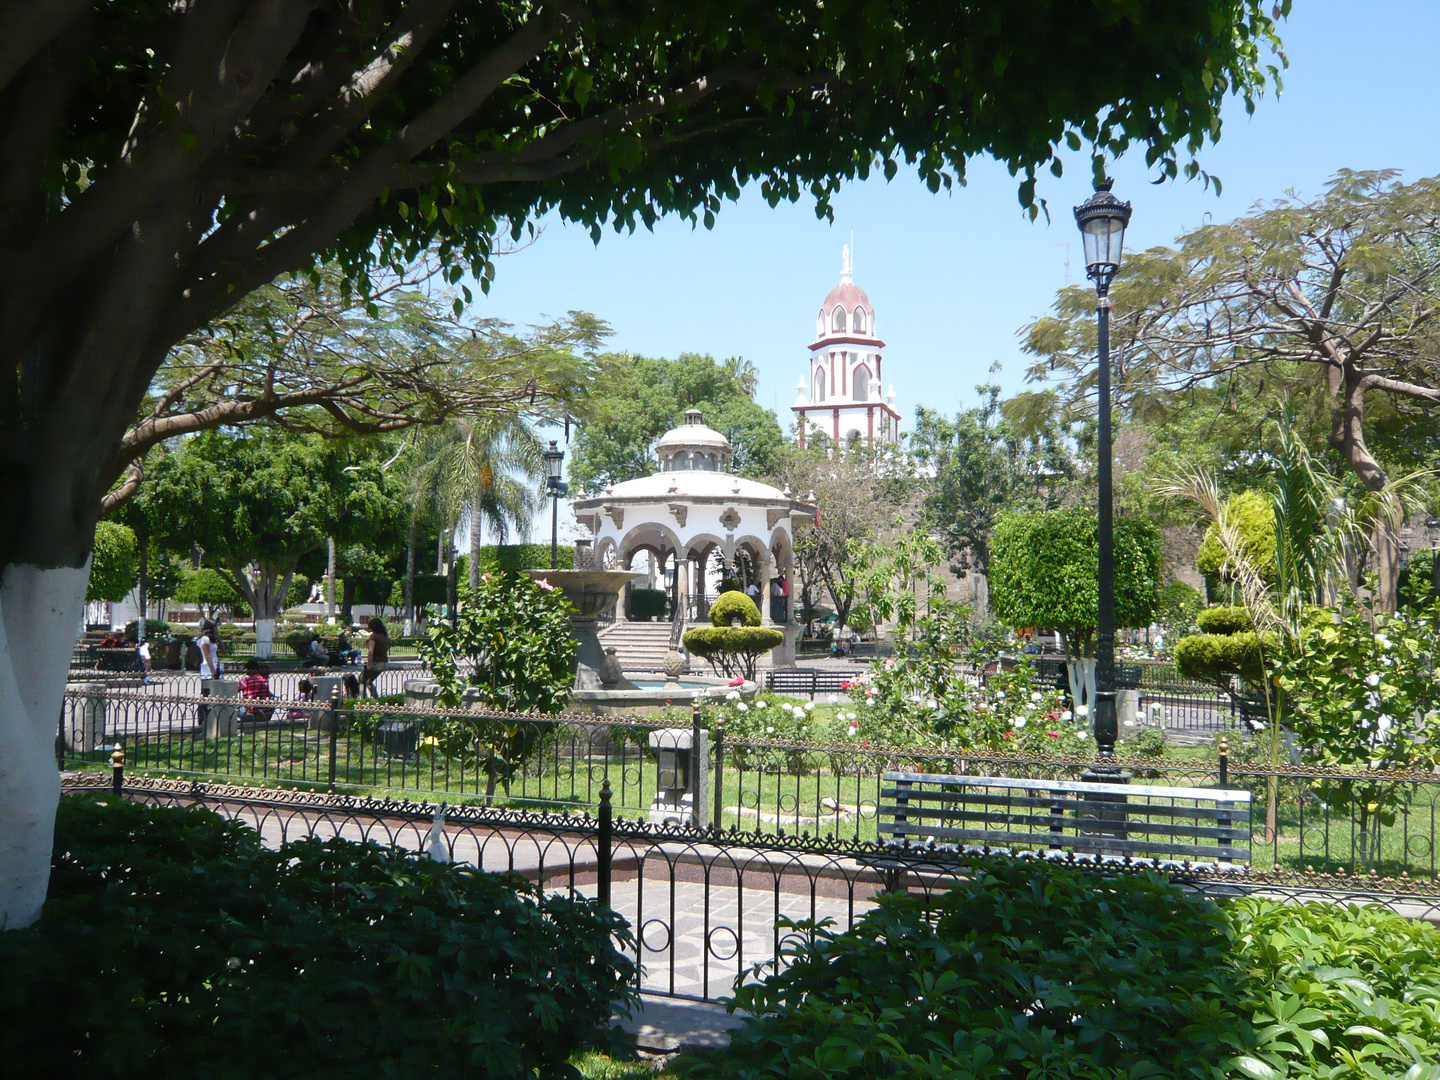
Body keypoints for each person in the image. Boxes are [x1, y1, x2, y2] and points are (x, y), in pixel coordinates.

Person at [360, 617, 390, 699]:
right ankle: (375, 698)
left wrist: (369, 665)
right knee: (369, 681)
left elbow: (371, 651)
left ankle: (363, 699)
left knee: (362, 679)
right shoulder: (384, 636)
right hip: (384, 662)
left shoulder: (373, 637)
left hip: (376, 663)